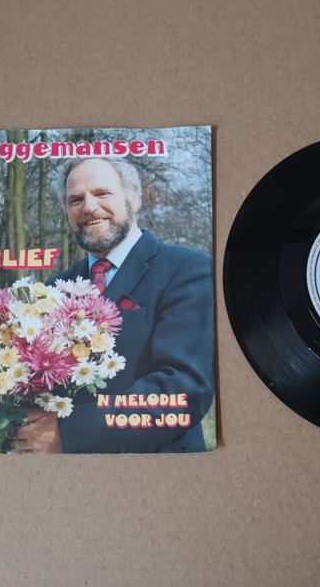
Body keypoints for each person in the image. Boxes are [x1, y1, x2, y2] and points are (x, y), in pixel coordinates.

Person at [14, 157, 215, 453]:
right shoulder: (54, 289)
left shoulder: (186, 269)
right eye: (76, 200)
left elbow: (184, 390)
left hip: (156, 468)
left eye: (102, 193)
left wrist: (71, 433)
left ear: (133, 197)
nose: (88, 207)